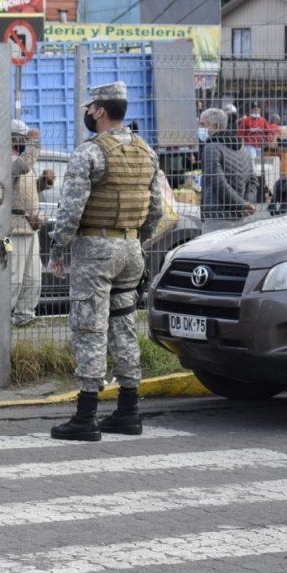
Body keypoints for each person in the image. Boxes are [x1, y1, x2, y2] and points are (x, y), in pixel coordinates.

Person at [47, 81, 162, 442]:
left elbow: (71, 209)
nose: (87, 112)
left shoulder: (89, 152)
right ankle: (128, 411)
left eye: (89, 107)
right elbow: (156, 209)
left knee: (90, 327)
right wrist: (136, 239)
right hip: (131, 249)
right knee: (124, 326)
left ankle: (86, 416)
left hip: (95, 251)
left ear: (99, 110)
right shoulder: (146, 150)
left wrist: (58, 248)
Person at [8, 120, 45, 328]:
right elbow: (21, 168)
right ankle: (2, 318)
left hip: (31, 226)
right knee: (13, 278)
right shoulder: (6, 160)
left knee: (33, 277)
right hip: (15, 228)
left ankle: (24, 316)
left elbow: (24, 190)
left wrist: (44, 182)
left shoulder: (22, 159)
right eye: (22, 138)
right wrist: (34, 143)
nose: (24, 141)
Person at [199, 107, 256, 234]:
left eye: (203, 124)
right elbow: (253, 181)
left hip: (216, 217)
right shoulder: (243, 150)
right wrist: (247, 203)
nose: (200, 128)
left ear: (215, 126)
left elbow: (217, 181)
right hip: (239, 218)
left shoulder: (211, 147)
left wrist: (241, 204)